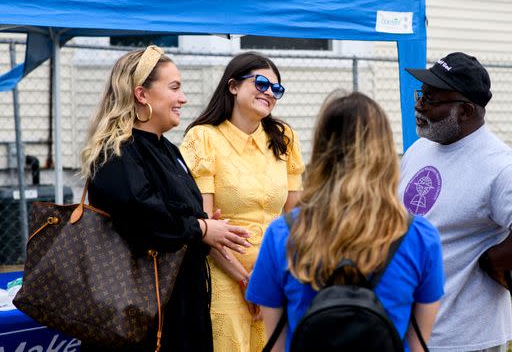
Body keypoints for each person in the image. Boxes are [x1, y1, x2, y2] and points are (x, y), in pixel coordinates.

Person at [80, 45, 251, 351]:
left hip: (180, 305)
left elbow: (175, 211)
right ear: (141, 94)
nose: (183, 98)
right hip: (140, 315)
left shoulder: (169, 150)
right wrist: (200, 228)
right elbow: (143, 215)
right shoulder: (117, 151)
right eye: (174, 88)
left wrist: (206, 225)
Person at [246, 91, 444, 352]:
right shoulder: (419, 236)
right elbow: (418, 344)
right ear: (384, 153)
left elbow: (276, 343)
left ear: (322, 150)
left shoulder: (283, 234)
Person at [400, 52, 512, 352]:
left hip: (465, 339)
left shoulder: (500, 166)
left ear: (466, 111)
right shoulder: (419, 149)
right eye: (421, 94)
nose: (419, 105)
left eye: (431, 100)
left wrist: (493, 260)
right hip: (412, 331)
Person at [180, 51, 304, 352]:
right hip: (224, 276)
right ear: (233, 85)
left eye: (276, 89)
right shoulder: (203, 138)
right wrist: (247, 281)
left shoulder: (284, 137)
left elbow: (295, 220)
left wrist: (276, 282)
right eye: (261, 83)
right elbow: (206, 227)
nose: (269, 93)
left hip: (274, 276)